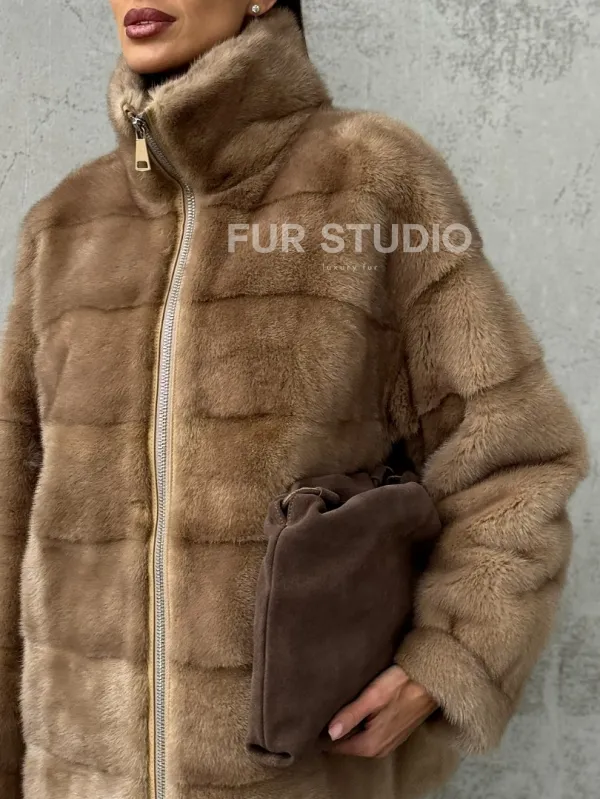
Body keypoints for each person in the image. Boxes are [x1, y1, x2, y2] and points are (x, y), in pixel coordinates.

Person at [0, 1, 588, 798]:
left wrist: (446, 660)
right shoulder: (64, 228)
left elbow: (517, 459)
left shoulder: (374, 181)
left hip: (301, 774)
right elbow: (11, 503)